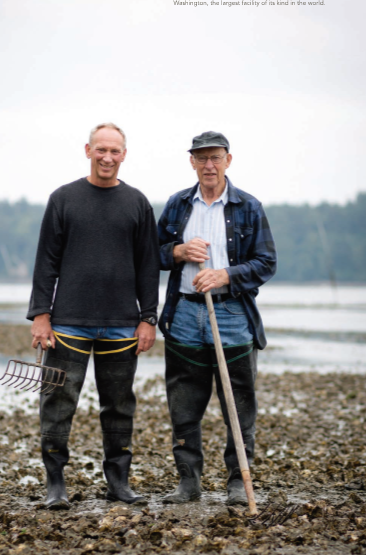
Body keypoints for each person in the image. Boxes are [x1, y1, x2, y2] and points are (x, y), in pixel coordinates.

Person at [27, 122, 159, 509]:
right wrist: (40, 314)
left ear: (124, 155)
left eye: (115, 151)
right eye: (101, 150)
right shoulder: (63, 199)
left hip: (122, 325)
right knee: (57, 403)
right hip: (68, 323)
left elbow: (149, 266)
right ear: (87, 151)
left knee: (119, 406)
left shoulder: (137, 203)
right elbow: (45, 262)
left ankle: (118, 483)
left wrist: (148, 318)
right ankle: (55, 486)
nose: (107, 157)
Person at [156, 131, 277, 506]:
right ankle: (188, 482)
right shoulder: (177, 205)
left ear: (228, 160)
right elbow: (152, 254)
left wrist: (225, 275)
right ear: (191, 161)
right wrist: (177, 251)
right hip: (186, 312)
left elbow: (266, 263)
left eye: (216, 158)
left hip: (232, 313)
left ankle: (238, 483)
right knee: (184, 402)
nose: (209, 165)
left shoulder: (249, 207)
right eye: (202, 158)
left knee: (238, 402)